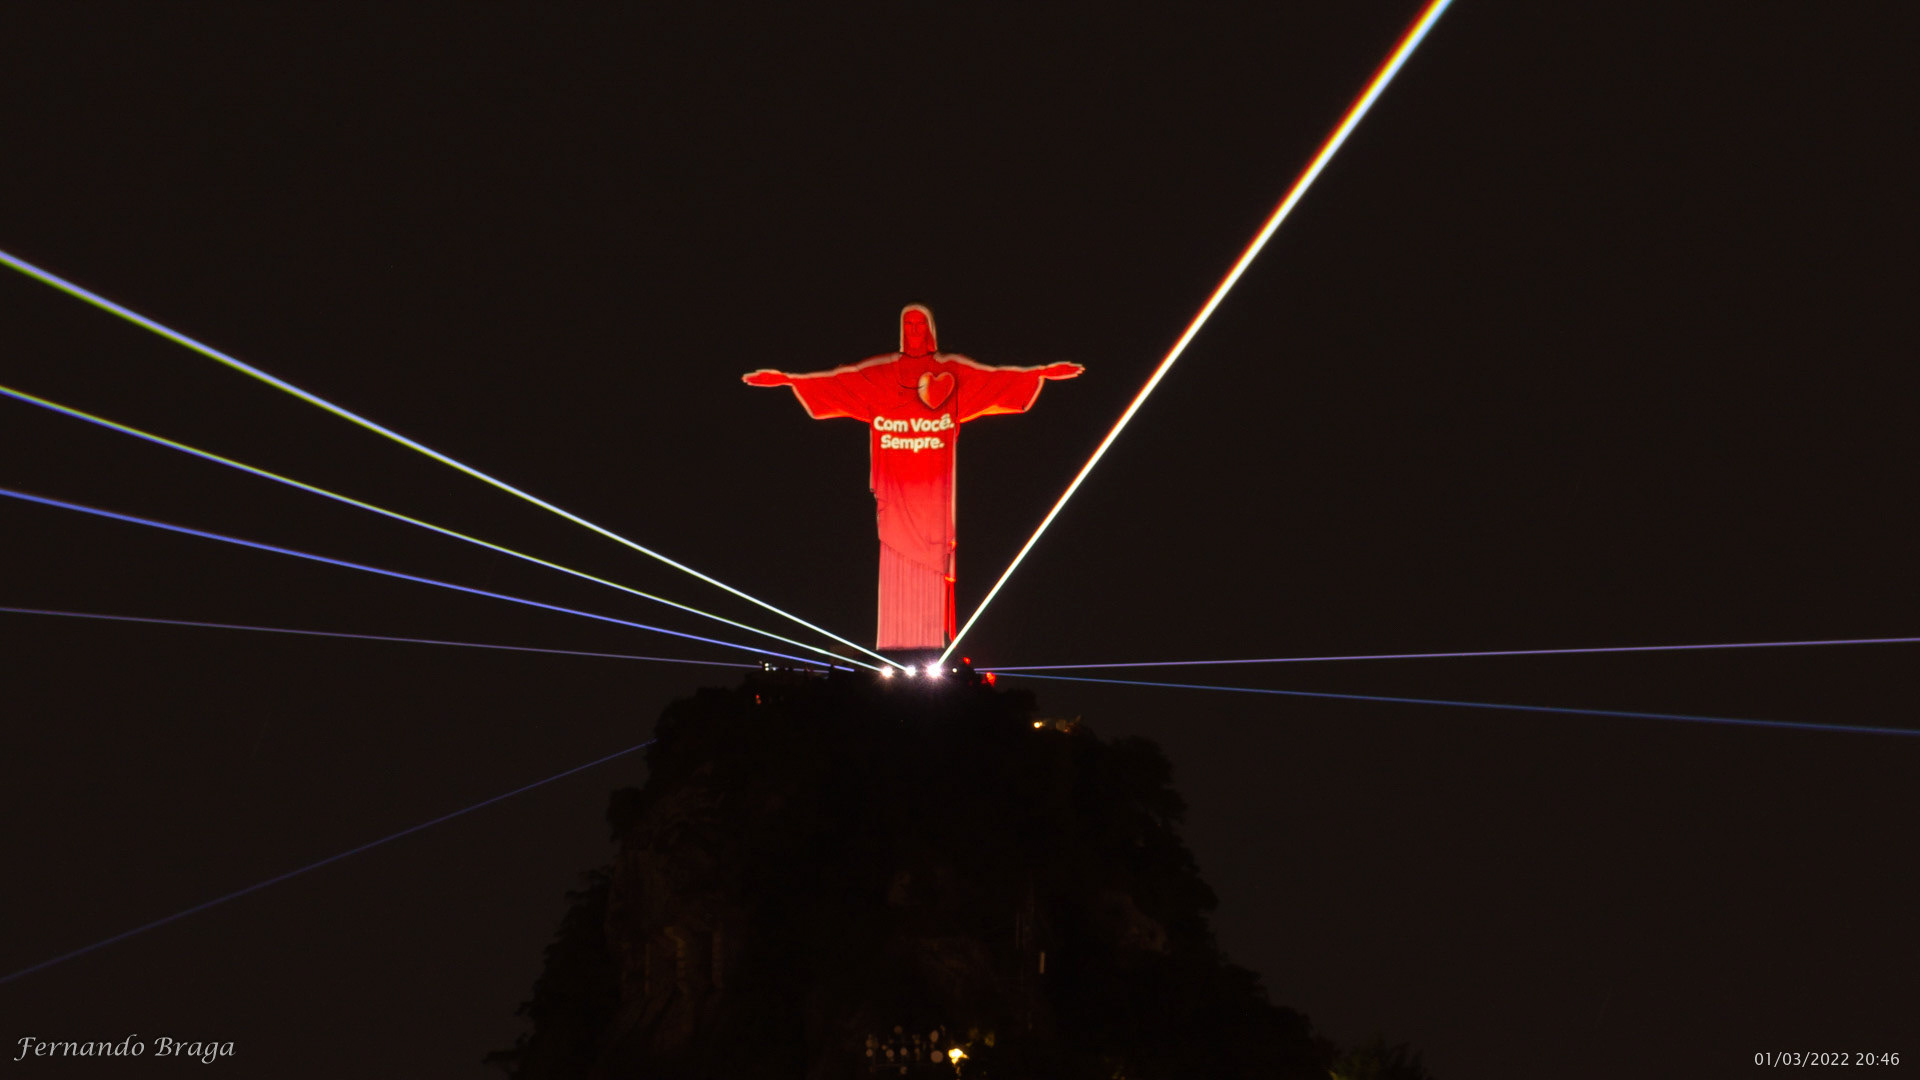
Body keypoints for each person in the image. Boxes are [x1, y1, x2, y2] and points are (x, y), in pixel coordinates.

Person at [744, 305, 1082, 652]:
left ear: (931, 330)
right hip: (895, 490)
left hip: (934, 498)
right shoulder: (881, 376)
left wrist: (1040, 373)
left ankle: (929, 648)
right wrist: (789, 380)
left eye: (921, 325)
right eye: (909, 324)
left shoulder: (951, 374)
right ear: (902, 330)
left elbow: (994, 380)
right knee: (895, 559)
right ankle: (898, 649)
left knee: (932, 563)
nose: (915, 331)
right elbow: (840, 383)